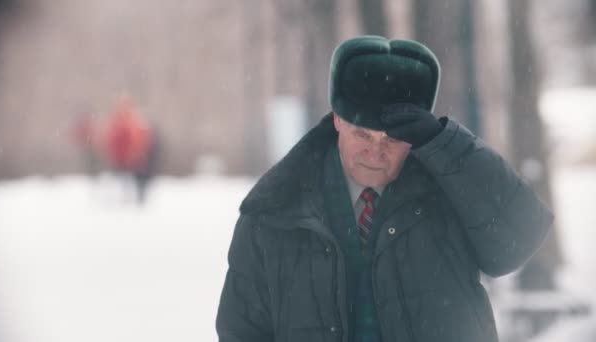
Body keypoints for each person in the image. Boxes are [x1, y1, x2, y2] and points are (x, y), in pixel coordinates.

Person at [216, 36, 553, 342]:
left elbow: (518, 241)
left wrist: (446, 144)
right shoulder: (274, 211)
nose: (375, 152)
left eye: (393, 139)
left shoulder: (452, 191)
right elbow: (240, 330)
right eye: (362, 134)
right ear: (337, 120)